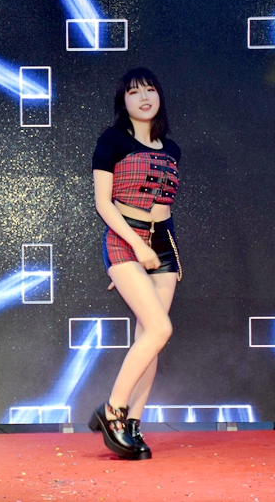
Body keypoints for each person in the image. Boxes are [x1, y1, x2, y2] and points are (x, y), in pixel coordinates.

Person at [88, 67, 182, 460]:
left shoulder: (171, 148)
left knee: (151, 339)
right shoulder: (111, 141)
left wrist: (162, 252)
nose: (144, 97)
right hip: (125, 239)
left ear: (159, 96)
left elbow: (164, 208)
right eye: (133, 92)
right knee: (160, 328)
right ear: (122, 102)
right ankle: (112, 411)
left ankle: (131, 425)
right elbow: (103, 203)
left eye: (149, 90)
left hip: (163, 245)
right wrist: (134, 250)